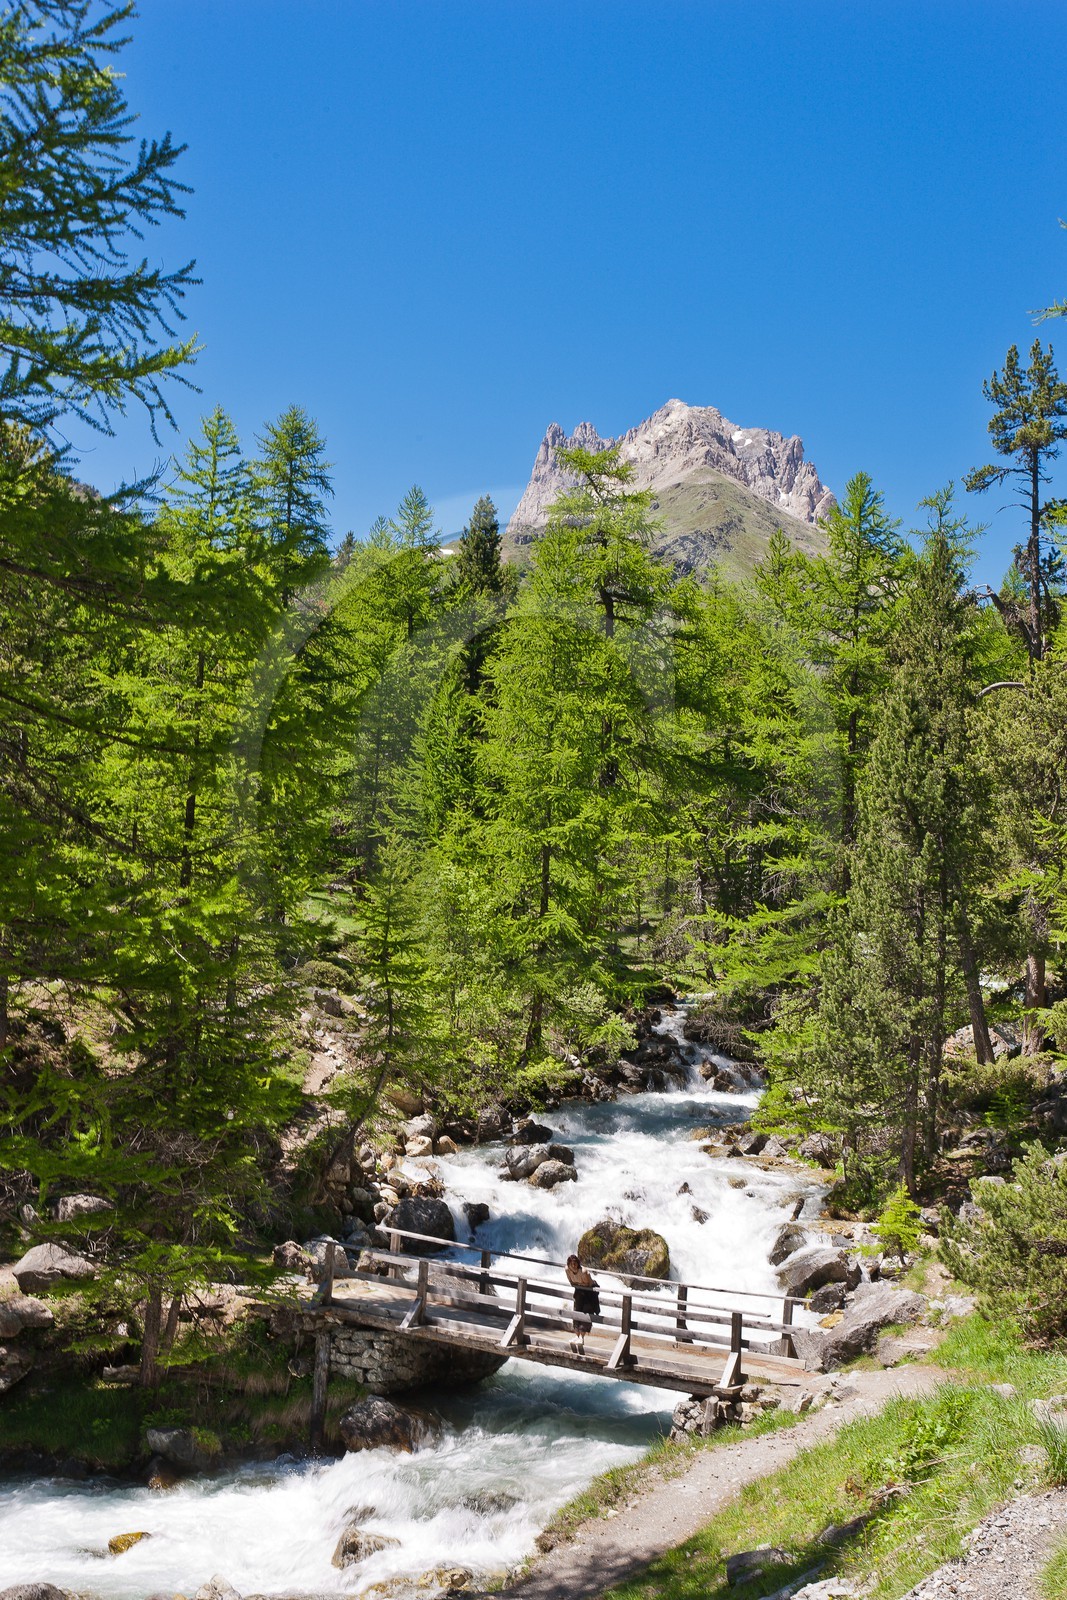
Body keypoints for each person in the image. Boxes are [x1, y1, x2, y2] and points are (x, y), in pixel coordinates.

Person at [566, 1254, 600, 1355]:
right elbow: (571, 1282)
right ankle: (577, 1336)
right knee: (576, 1312)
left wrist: (580, 1284)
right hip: (579, 1290)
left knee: (586, 1313)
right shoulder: (567, 1270)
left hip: (589, 1291)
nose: (574, 1266)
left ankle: (582, 1337)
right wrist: (579, 1285)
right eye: (572, 1264)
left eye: (575, 1264)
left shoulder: (584, 1271)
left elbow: (589, 1284)